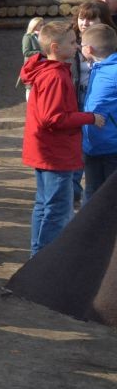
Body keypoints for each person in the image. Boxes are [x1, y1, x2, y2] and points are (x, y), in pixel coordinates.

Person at [20, 21, 105, 256]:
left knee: (44, 205)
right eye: (72, 42)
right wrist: (89, 117)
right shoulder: (55, 76)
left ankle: (38, 258)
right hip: (55, 153)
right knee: (57, 209)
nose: (77, 46)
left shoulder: (50, 71)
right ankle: (46, 260)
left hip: (46, 150)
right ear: (55, 47)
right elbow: (53, 118)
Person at [81, 25, 117, 202]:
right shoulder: (96, 67)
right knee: (91, 193)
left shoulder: (113, 71)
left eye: (81, 45)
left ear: (88, 49)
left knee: (109, 198)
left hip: (111, 147)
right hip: (92, 145)